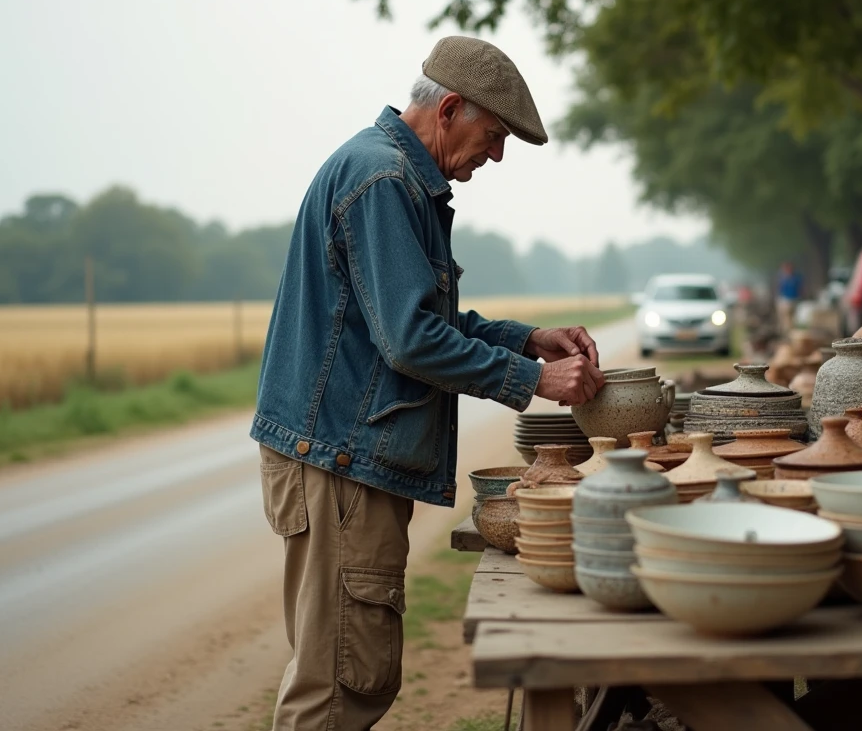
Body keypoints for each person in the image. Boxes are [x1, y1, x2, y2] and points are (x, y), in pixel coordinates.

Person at [251, 35, 606, 730]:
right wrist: (536, 378)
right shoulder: (384, 180)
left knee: (350, 676)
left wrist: (526, 338)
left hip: (341, 462)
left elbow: (421, 317)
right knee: (337, 691)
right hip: (340, 466)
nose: (496, 155)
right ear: (449, 109)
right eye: (494, 135)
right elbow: (410, 341)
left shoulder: (391, 173)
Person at [776, 261, 803, 334]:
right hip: (785, 300)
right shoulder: (782, 278)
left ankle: (792, 332)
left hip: (794, 299)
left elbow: (800, 288)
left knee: (794, 318)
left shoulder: (796, 278)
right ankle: (786, 332)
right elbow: (779, 289)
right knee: (785, 319)